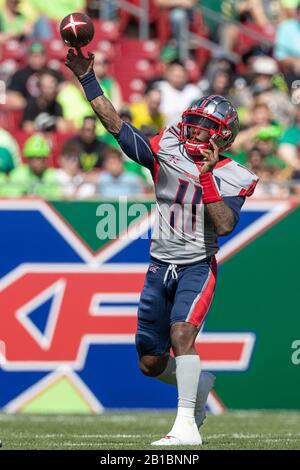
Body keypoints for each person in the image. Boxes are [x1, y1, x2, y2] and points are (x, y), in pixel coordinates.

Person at [65, 48, 258, 446]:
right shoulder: (168, 148)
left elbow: (223, 225)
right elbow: (118, 127)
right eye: (194, 122)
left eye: (205, 127)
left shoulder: (235, 175)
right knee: (150, 362)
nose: (194, 131)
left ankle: (187, 426)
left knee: (183, 334)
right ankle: (198, 383)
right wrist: (88, 79)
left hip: (196, 265)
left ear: (222, 135)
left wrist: (206, 178)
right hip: (159, 265)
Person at [6, 42, 64, 111]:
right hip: (28, 113)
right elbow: (12, 98)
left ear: (44, 57)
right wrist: (34, 105)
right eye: (34, 56)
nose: (37, 60)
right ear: (28, 57)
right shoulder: (19, 75)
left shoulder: (53, 73)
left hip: (51, 111)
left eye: (39, 56)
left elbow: (65, 89)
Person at [7, 134, 61, 198]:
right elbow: (11, 199)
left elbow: (56, 199)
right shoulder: (18, 174)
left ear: (45, 159)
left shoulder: (51, 175)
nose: (36, 162)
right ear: (27, 159)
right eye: (32, 158)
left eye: (39, 158)